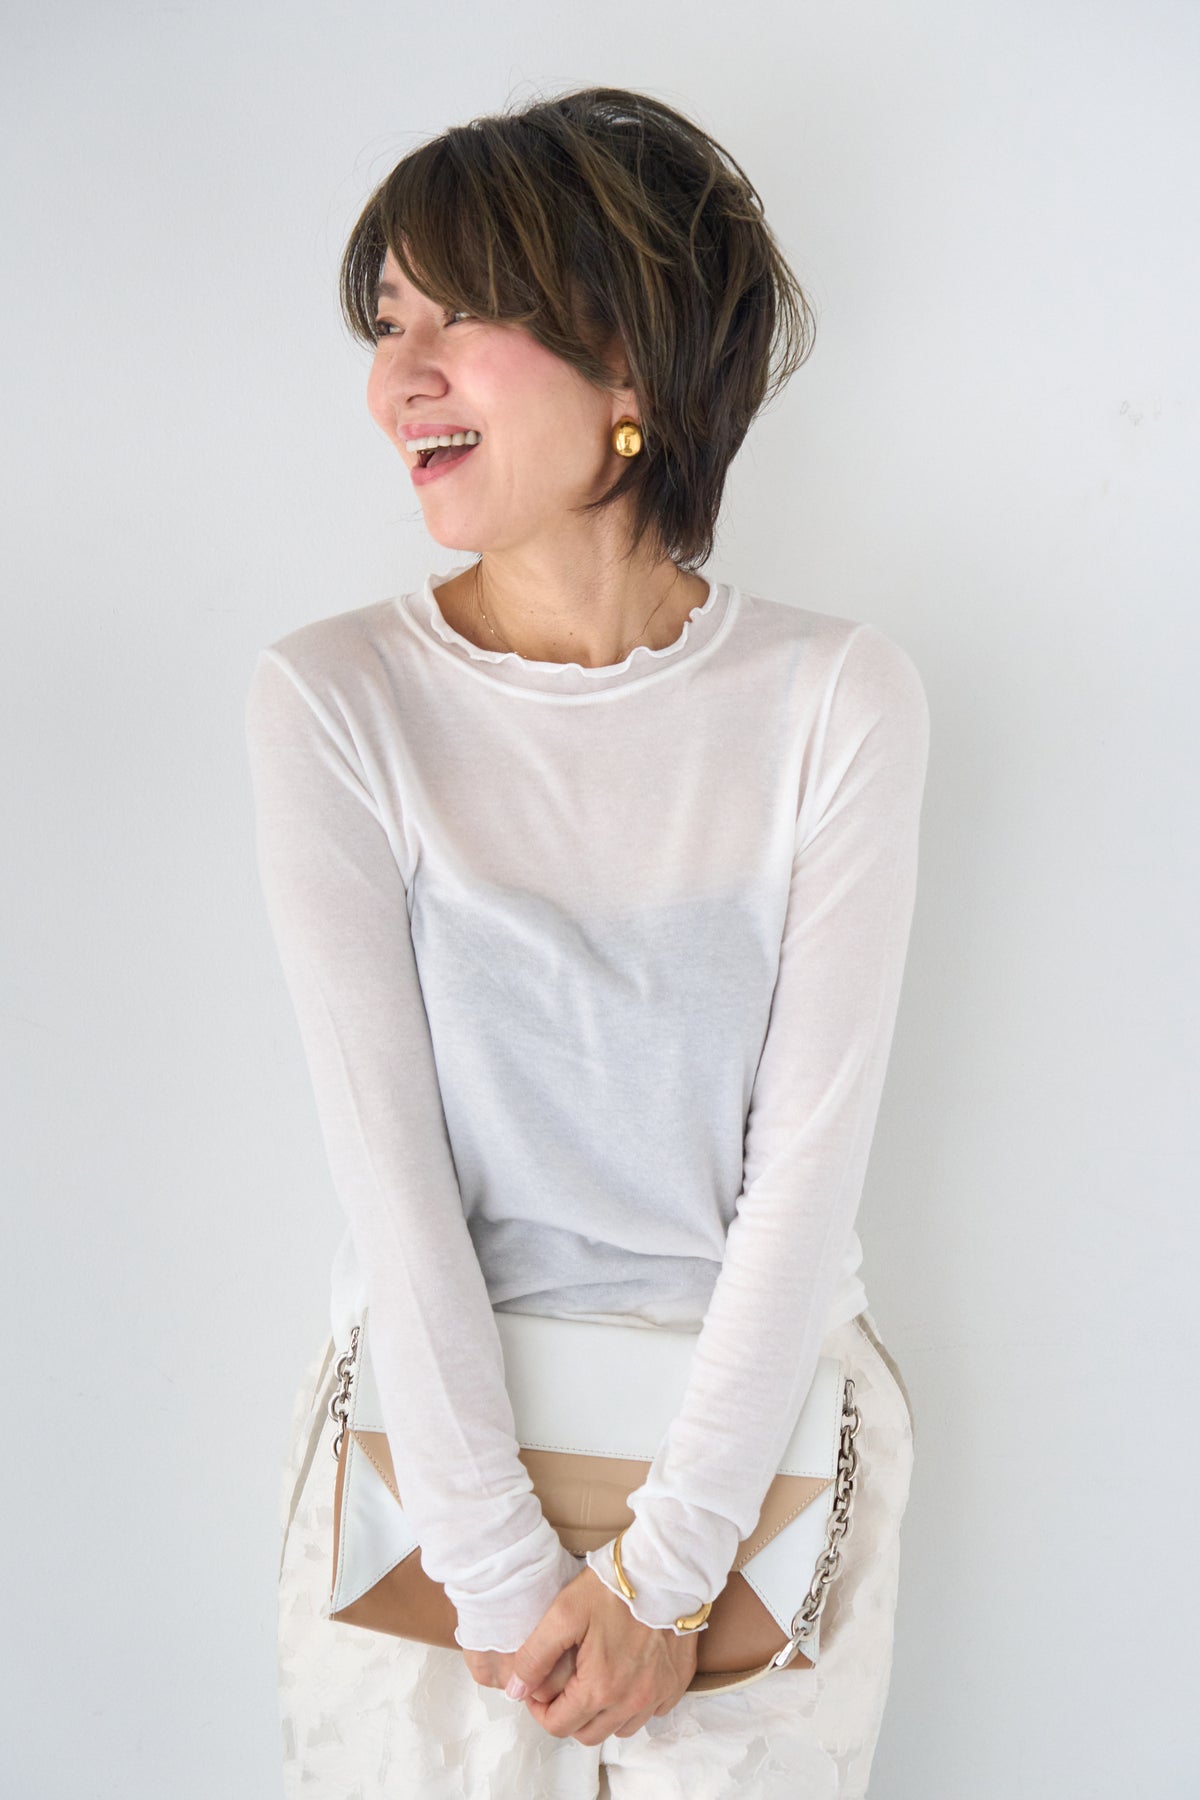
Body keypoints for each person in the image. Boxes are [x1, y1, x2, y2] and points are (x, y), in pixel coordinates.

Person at [246, 85, 928, 1799]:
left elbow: (809, 1165)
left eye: (455, 319)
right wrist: (498, 1568)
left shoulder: (836, 699)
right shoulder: (336, 698)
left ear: (630, 363)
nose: (399, 380)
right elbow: (387, 1169)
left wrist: (665, 1576)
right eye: (385, 325)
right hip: (429, 1479)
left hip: (752, 1472)